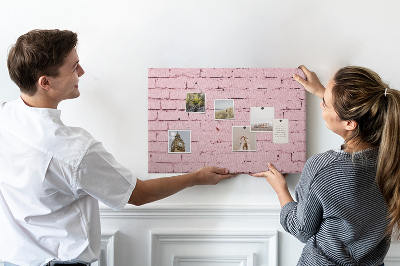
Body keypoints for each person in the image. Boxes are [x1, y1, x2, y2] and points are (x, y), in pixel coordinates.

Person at [0, 29, 236, 266]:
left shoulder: (4, 117)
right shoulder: (74, 150)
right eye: (73, 67)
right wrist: (196, 177)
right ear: (46, 83)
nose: (81, 72)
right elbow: (139, 194)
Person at [252, 65, 400, 265]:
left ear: (350, 123)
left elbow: (302, 229)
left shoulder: (323, 168)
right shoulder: (393, 157)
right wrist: (327, 94)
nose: (321, 105)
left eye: (326, 103)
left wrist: (280, 190)